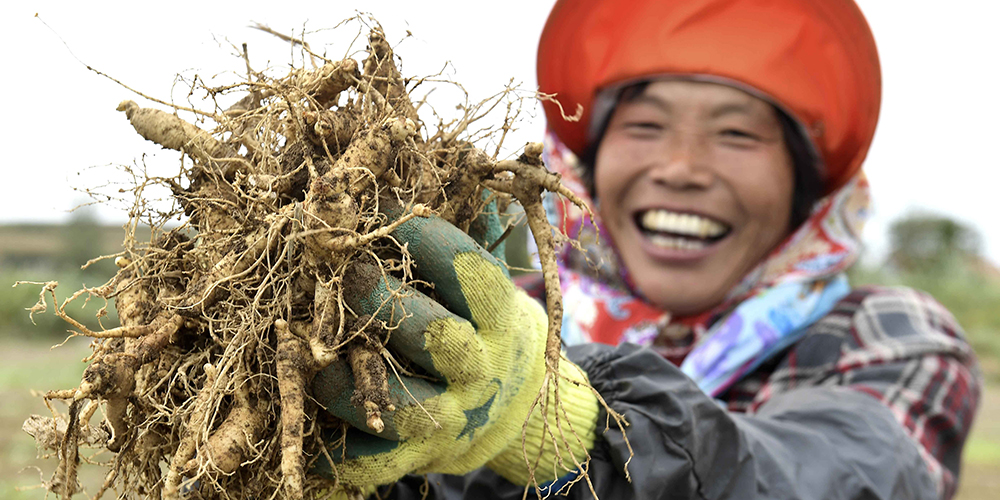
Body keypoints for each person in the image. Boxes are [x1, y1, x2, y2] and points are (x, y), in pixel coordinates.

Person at [312, 0, 981, 498]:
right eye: (646, 126)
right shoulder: (501, 325)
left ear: (802, 192)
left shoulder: (889, 338)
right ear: (589, 169)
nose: (683, 167)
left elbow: (836, 475)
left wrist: (557, 420)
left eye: (737, 135)